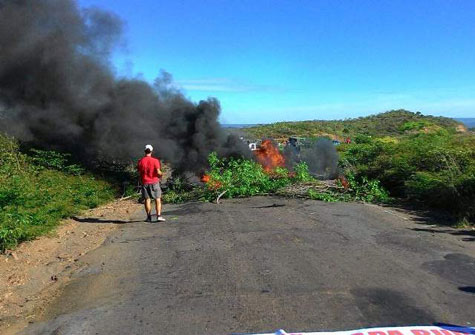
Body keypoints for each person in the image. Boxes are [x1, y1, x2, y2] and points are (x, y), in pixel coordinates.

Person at [137, 144, 165, 222]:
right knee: (157, 199)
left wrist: (141, 181)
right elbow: (158, 172)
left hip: (145, 182)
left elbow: (139, 173)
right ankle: (158, 216)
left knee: (147, 199)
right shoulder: (155, 161)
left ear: (144, 151)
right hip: (154, 182)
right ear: (151, 151)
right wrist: (161, 175)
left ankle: (149, 217)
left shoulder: (140, 161)